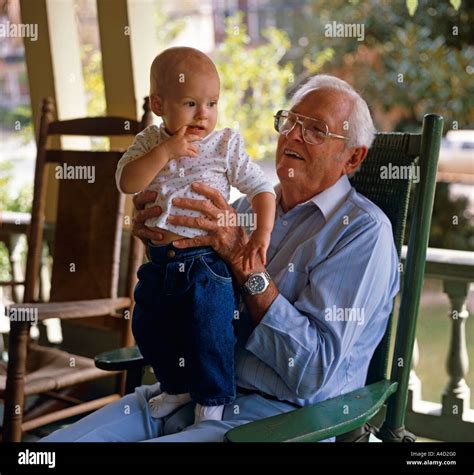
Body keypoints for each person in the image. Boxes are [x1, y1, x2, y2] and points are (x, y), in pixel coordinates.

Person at [40, 74, 399, 443]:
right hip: (182, 395)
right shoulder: (238, 210)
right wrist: (162, 240)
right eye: (289, 121)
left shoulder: (362, 233)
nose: (292, 135)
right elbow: (188, 296)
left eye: (316, 130)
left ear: (353, 157)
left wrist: (245, 265)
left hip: (274, 421)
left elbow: (311, 372)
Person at [116, 47, 276, 423]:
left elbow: (261, 188)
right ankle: (176, 386)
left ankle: (213, 397)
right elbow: (127, 181)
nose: (203, 114)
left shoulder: (224, 146)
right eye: (190, 103)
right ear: (159, 104)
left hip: (206, 265)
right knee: (149, 327)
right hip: (159, 263)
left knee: (209, 331)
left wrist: (261, 234)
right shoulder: (148, 143)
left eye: (212, 103)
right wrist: (166, 152)